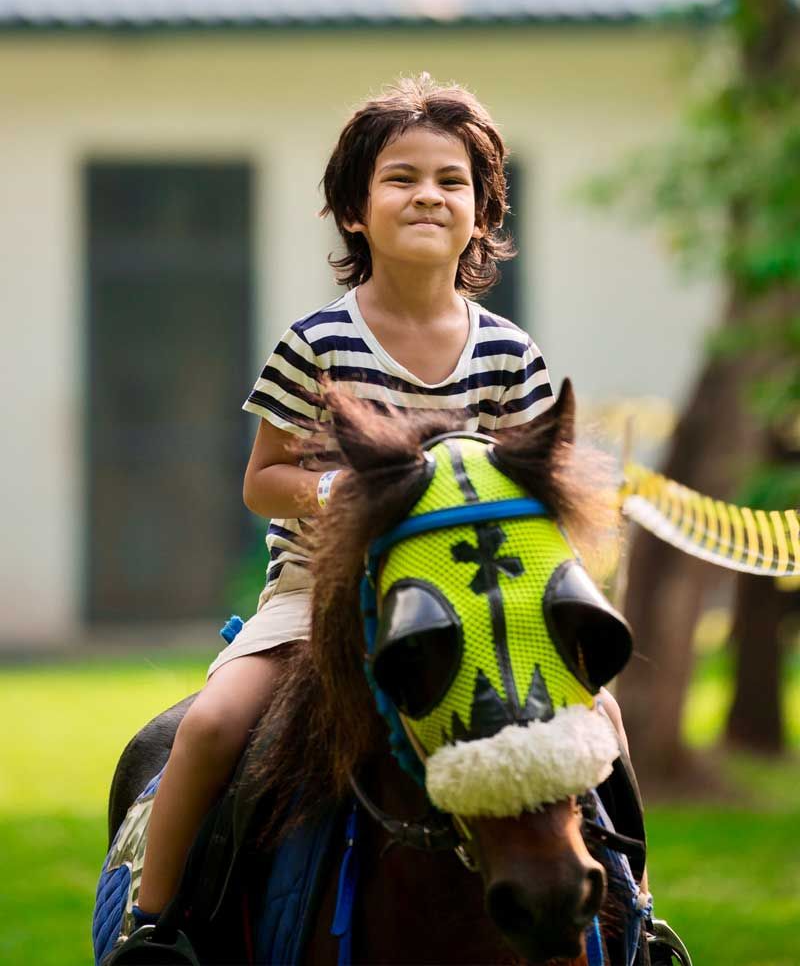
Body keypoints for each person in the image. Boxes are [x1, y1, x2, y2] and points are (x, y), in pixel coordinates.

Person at [136, 73, 624, 920]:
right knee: (212, 727)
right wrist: (348, 492)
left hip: (488, 606)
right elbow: (262, 481)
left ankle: (636, 910)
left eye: (452, 181)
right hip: (321, 597)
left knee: (606, 726)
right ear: (356, 212)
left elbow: (543, 496)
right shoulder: (316, 343)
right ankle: (154, 920)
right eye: (401, 178)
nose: (428, 195)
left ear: (482, 212)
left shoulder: (512, 354)